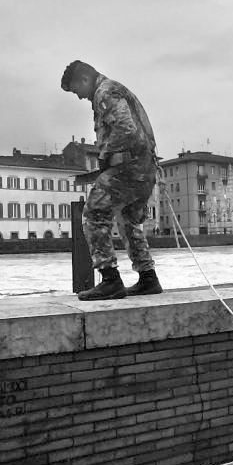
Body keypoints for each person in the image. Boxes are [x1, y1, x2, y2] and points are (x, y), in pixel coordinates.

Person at [61, 60, 163, 300]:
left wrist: (105, 156)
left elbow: (126, 128)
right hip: (144, 168)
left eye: (76, 90)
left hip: (128, 167)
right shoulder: (117, 90)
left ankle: (110, 279)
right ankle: (148, 278)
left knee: (93, 214)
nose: (78, 97)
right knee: (128, 220)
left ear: (85, 80)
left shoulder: (105, 92)